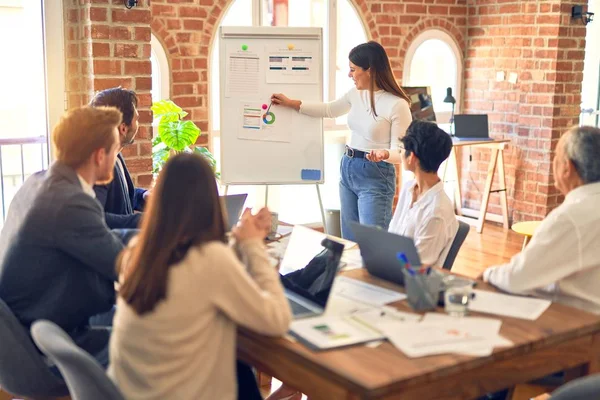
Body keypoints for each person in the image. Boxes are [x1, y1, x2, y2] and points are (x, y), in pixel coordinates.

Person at [109, 153, 292, 400]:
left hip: (140, 390)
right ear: (209, 202)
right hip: (179, 392)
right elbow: (278, 319)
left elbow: (201, 280)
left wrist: (239, 243)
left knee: (238, 368)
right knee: (237, 366)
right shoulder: (210, 259)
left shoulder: (137, 253)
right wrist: (253, 246)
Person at [0, 106, 125, 368]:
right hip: (43, 346)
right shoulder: (68, 201)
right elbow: (123, 265)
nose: (117, 156)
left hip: (23, 332)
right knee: (150, 344)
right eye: (116, 149)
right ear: (100, 156)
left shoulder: (40, 182)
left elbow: (98, 232)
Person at [271, 41, 412, 241]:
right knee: (349, 240)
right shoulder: (354, 95)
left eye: (353, 70)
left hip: (376, 174)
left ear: (369, 70)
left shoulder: (397, 105)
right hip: (348, 168)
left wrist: (384, 154)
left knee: (373, 242)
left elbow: (402, 152)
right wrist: (291, 103)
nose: (349, 75)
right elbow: (329, 110)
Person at [483, 125, 600, 314]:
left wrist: (488, 274)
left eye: (556, 156)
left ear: (567, 168)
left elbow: (517, 278)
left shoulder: (571, 217)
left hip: (575, 326)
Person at [388, 120, 458, 268]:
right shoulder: (408, 189)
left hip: (409, 283)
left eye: (401, 148)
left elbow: (416, 266)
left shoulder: (436, 212)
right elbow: (392, 236)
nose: (400, 152)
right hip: (389, 268)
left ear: (411, 157)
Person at [90, 87, 147, 229]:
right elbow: (94, 217)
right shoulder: (99, 164)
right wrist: (143, 221)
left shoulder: (116, 153)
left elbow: (121, 197)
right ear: (123, 128)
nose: (138, 125)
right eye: (136, 120)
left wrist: (143, 196)